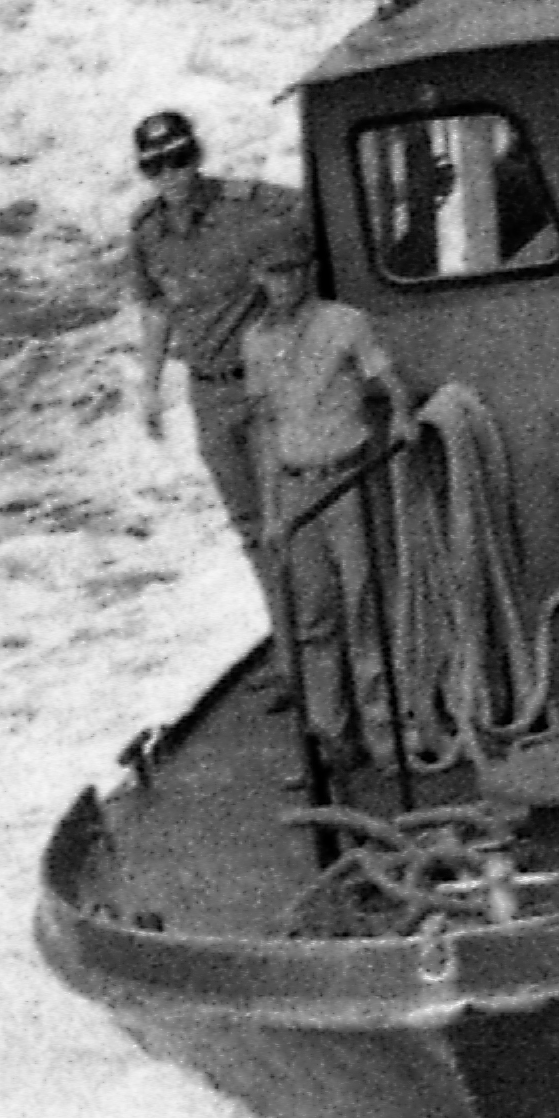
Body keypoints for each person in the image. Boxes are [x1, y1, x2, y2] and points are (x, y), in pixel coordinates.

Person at [116, 108, 315, 562]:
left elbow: (324, 212)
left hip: (267, 384)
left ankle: (317, 628)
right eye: (155, 166)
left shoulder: (251, 208)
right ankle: (290, 630)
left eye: (180, 158)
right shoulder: (148, 233)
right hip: (208, 393)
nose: (171, 174)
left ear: (197, 155)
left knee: (294, 515)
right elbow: (156, 309)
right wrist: (149, 388)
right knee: (251, 527)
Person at [236, 252, 410, 759]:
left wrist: (401, 414)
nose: (283, 282)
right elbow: (265, 428)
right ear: (258, 276)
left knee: (364, 606)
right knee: (314, 617)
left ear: (306, 273)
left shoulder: (346, 322)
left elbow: (384, 375)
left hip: (346, 481)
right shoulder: (256, 341)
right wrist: (272, 512)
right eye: (272, 271)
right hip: (295, 491)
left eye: (291, 270)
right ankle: (332, 734)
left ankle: (385, 735)